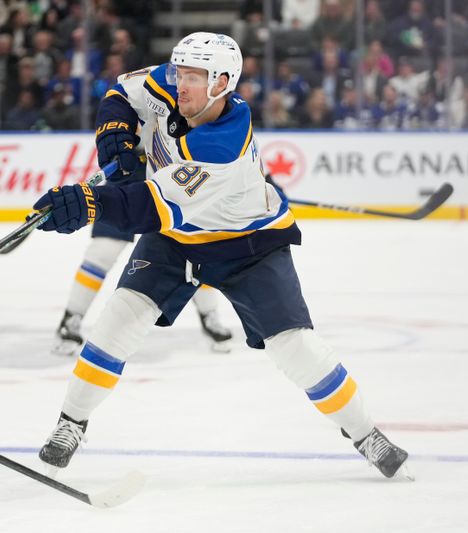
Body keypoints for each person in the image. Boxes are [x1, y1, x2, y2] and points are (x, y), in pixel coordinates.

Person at [31, 33, 411, 480]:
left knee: (296, 348)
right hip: (176, 238)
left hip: (246, 246)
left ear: (222, 83)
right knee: (117, 322)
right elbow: (119, 92)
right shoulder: (168, 86)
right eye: (179, 73)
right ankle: (70, 424)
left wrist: (88, 203)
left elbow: (147, 207)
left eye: (193, 77)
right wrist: (114, 132)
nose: (179, 85)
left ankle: (365, 433)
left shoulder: (220, 146)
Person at [52, 149, 233, 357]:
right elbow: (113, 119)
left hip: (175, 177)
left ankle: (209, 314)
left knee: (194, 248)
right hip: (131, 174)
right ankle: (71, 318)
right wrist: (120, 138)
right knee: (103, 251)